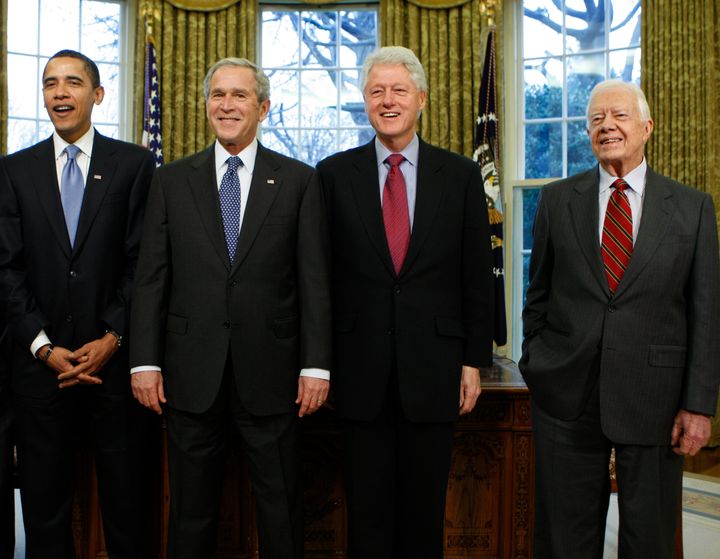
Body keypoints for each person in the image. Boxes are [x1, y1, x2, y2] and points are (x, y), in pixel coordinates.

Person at [129, 57, 331, 559]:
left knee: (280, 510)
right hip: (190, 375)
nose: (226, 105)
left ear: (262, 107)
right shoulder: (171, 180)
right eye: (218, 95)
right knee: (191, 515)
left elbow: (314, 281)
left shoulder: (299, 181)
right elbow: (152, 277)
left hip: (273, 375)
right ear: (206, 107)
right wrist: (145, 361)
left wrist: (316, 365)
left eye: (239, 96)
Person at [519, 79, 720, 558]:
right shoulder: (556, 200)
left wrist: (698, 404)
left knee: (648, 540)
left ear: (647, 127)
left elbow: (706, 312)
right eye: (595, 119)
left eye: (619, 116)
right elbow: (538, 296)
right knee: (564, 540)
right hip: (568, 396)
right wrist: (539, 362)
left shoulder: (691, 208)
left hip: (657, 399)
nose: (607, 125)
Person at [316, 46, 494, 558]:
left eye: (398, 91)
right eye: (376, 91)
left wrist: (473, 359)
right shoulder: (333, 175)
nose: (387, 101)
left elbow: (476, 274)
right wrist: (320, 364)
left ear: (421, 99)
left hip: (435, 370)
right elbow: (319, 276)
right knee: (366, 519)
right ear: (365, 102)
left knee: (422, 520)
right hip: (357, 371)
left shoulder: (459, 175)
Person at [0, 50, 155, 558]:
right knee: (45, 513)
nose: (60, 93)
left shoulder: (133, 165)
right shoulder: (14, 172)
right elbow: (8, 269)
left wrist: (112, 337)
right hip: (41, 371)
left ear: (97, 94)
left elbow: (144, 265)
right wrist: (44, 348)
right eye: (50, 84)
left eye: (72, 82)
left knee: (127, 510)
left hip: (114, 369)